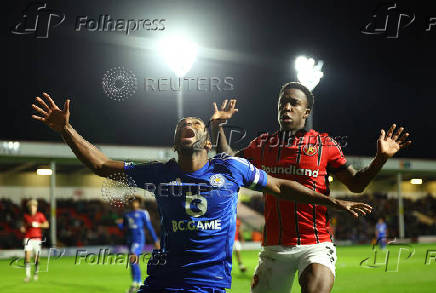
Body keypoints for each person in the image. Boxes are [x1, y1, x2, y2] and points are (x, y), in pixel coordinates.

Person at [31, 92, 371, 292]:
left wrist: (333, 201)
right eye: (182, 125)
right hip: (160, 283)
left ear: (207, 140)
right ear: (175, 141)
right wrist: (66, 130)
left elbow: (282, 186)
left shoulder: (230, 168)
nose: (188, 126)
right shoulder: (160, 173)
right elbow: (102, 165)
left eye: (196, 124)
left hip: (205, 286)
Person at [209, 82, 411, 293]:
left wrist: (380, 159)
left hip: (316, 245)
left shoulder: (326, 145)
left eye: (293, 103)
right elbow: (230, 164)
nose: (286, 108)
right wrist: (218, 128)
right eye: (282, 104)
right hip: (274, 247)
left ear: (306, 111)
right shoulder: (262, 145)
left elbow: (357, 184)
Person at [117, 198, 160, 293]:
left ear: (139, 203)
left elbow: (149, 227)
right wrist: (118, 224)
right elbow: (124, 227)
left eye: (136, 201)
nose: (134, 203)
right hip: (130, 240)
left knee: (133, 258)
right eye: (132, 201)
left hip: (139, 239)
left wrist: (155, 240)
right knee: (133, 261)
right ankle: (135, 283)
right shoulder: (126, 214)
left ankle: (138, 282)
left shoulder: (143, 213)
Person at [20, 199, 49, 282]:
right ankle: (28, 276)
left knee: (36, 258)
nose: (33, 208)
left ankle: (36, 272)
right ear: (29, 208)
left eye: (34, 207)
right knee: (27, 256)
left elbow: (47, 225)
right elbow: (23, 226)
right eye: (31, 207)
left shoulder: (40, 215)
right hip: (28, 238)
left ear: (36, 208)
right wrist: (22, 228)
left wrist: (38, 224)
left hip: (37, 239)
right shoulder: (25, 216)